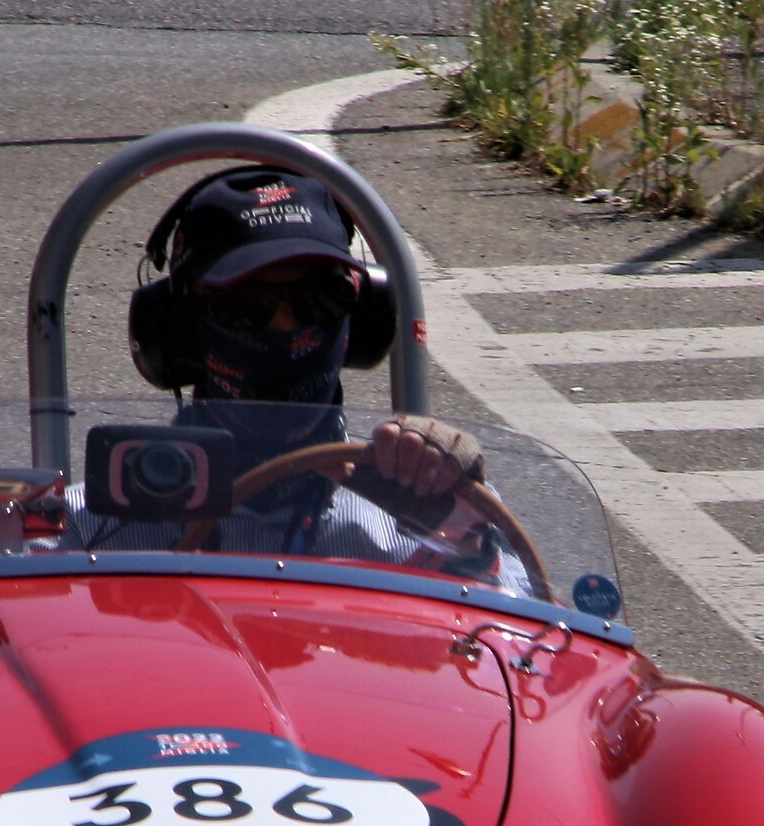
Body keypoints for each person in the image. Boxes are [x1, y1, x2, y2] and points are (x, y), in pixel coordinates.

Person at [70, 167, 511, 586]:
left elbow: (526, 643)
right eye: (245, 305)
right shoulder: (86, 531)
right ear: (175, 329)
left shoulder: (430, 515)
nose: (285, 328)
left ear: (363, 316)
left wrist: (463, 536)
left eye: (320, 297)